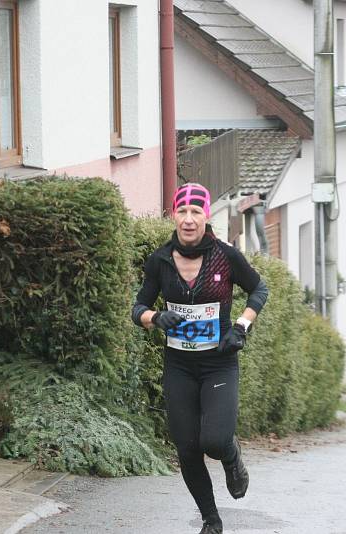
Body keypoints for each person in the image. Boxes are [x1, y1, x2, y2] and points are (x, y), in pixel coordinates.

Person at [131, 183, 268, 534]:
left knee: (215, 441)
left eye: (196, 212)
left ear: (206, 217)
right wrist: (155, 318)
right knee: (188, 447)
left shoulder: (226, 256)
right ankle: (211, 520)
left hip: (218, 362)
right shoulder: (160, 260)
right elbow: (138, 308)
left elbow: (259, 289)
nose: (188, 220)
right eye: (182, 212)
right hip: (178, 365)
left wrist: (241, 326)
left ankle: (233, 457)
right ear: (174, 215)